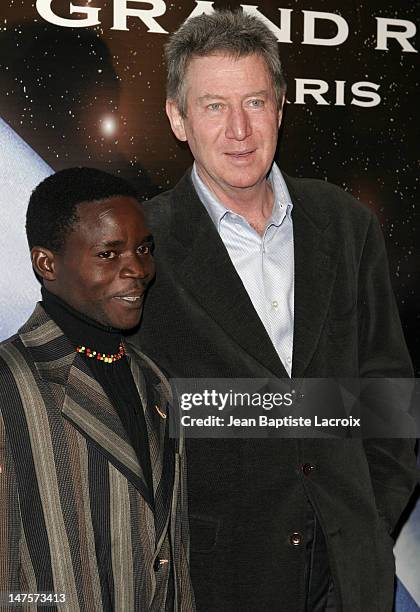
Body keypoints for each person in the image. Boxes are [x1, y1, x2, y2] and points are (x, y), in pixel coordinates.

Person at [138, 10, 418, 612]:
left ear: (281, 108)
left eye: (255, 102)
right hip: (218, 575)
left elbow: (388, 392)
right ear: (177, 118)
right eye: (214, 106)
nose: (239, 129)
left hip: (350, 570)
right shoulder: (145, 244)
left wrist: (370, 515)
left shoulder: (346, 223)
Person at [0, 168, 195, 611]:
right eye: (109, 254)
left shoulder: (154, 382)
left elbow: (172, 559)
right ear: (47, 264)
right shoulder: (9, 382)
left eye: (143, 248)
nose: (138, 270)